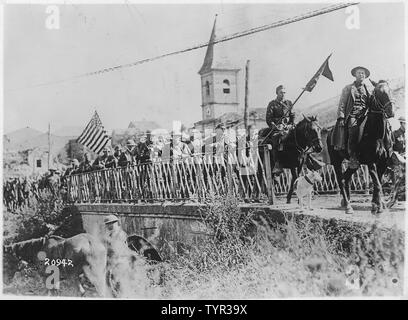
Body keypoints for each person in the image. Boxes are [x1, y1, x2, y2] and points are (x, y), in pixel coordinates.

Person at [333, 66, 375, 169]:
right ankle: (352, 156)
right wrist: (341, 118)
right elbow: (342, 104)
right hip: (352, 115)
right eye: (359, 73)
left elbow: (371, 103)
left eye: (363, 73)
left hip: (365, 115)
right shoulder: (348, 88)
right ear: (355, 75)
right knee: (353, 130)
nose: (361, 75)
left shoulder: (368, 89)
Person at [265, 85, 295, 173]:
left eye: (284, 93)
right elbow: (268, 118)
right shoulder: (272, 104)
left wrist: (290, 124)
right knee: (276, 139)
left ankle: (307, 160)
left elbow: (292, 117)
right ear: (277, 93)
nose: (283, 94)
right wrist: (274, 125)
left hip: (288, 128)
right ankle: (277, 163)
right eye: (281, 92)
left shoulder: (289, 103)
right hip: (277, 129)